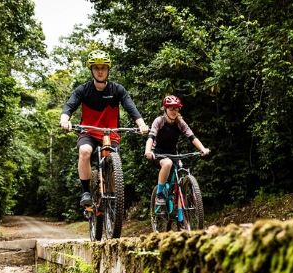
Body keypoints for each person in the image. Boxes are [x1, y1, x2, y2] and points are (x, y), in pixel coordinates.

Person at [59, 50, 149, 207]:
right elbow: (69, 105)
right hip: (89, 132)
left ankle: (113, 201)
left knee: (114, 164)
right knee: (85, 151)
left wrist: (141, 124)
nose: (100, 71)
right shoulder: (83, 90)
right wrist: (64, 119)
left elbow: (131, 107)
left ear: (108, 69)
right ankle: (86, 191)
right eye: (96, 68)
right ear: (92, 70)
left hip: (110, 134)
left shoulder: (117, 90)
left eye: (103, 68)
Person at [144, 95, 210, 213]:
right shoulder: (159, 121)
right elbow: (151, 137)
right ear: (165, 109)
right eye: (171, 109)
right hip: (158, 154)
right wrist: (148, 151)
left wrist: (203, 148)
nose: (174, 111)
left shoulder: (180, 122)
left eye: (176, 109)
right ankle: (159, 195)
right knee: (168, 163)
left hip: (173, 154)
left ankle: (180, 217)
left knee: (181, 181)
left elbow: (192, 137)